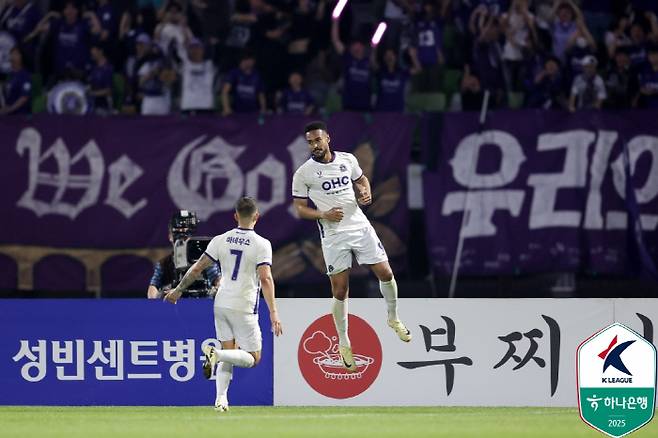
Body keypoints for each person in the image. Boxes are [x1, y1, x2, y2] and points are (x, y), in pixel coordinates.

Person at [291, 121, 411, 373]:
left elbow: (362, 179)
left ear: (327, 138)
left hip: (359, 227)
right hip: (333, 235)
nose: (314, 145)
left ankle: (393, 318)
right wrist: (323, 214)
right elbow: (300, 209)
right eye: (310, 142)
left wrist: (366, 192)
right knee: (340, 289)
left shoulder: (348, 159)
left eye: (317, 140)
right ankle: (344, 342)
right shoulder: (304, 173)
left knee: (386, 273)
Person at [164, 197, 282, 412]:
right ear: (257, 216)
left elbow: (197, 268)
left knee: (229, 351)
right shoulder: (262, 244)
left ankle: (220, 400)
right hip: (244, 305)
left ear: (235, 216)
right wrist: (273, 312)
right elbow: (265, 278)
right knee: (253, 358)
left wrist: (178, 290)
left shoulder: (221, 239)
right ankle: (215, 355)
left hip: (221, 303)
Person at [147, 210, 219, 299]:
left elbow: (216, 278)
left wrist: (217, 288)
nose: (181, 239)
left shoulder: (203, 259)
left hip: (202, 301)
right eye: (177, 234)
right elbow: (153, 286)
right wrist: (156, 299)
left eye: (185, 234)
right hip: (174, 303)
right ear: (170, 236)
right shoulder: (164, 263)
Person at [0, 46, 31, 114]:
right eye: (11, 54)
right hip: (7, 113)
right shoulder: (9, 75)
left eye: (15, 54)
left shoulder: (25, 75)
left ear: (21, 57)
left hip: (20, 114)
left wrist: (11, 109)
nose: (12, 57)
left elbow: (24, 97)